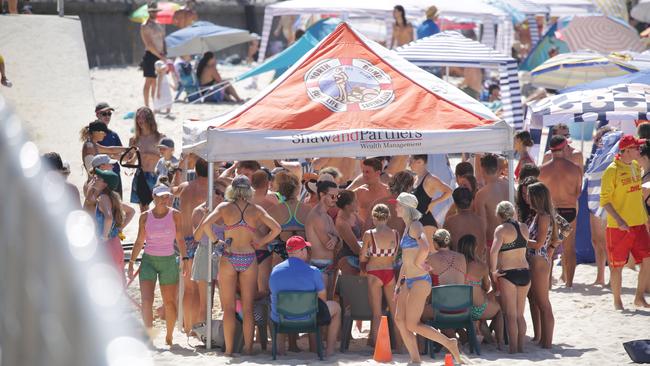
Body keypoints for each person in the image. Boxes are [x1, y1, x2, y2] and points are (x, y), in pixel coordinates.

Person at [193, 175, 281, 355]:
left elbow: (206, 225)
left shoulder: (225, 207)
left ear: (232, 189)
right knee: (248, 308)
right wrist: (261, 241)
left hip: (229, 256)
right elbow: (277, 228)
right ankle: (248, 349)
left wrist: (217, 241)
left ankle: (229, 351)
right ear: (249, 190)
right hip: (249, 256)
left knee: (229, 309)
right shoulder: (256, 209)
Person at [392, 193, 461, 364]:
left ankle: (449, 343)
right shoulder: (408, 227)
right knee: (399, 320)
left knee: (412, 324)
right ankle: (415, 360)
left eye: (398, 205)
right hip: (409, 280)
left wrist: (418, 262)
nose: (395, 207)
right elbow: (405, 261)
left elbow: (425, 247)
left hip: (420, 281)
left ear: (407, 207)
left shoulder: (415, 225)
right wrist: (399, 284)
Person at [128, 185, 189, 346]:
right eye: (161, 196)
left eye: (167, 196)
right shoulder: (145, 216)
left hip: (168, 260)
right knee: (147, 300)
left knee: (169, 302)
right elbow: (140, 241)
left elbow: (180, 239)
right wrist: (132, 262)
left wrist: (185, 258)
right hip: (148, 260)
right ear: (153, 197)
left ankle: (169, 336)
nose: (164, 200)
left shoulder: (175, 215)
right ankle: (149, 336)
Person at [599, 135, 650, 310]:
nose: (639, 150)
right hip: (618, 226)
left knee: (647, 260)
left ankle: (638, 297)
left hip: (638, 223)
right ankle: (617, 301)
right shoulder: (611, 171)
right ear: (626, 150)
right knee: (616, 266)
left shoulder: (636, 166)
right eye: (636, 147)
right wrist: (620, 220)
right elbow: (605, 201)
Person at [269, 236, 341, 357]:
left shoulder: (275, 271)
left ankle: (280, 351)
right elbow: (322, 299)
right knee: (336, 308)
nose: (307, 252)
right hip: (308, 317)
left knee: (276, 308)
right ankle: (329, 351)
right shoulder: (313, 271)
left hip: (282, 318)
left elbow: (273, 294)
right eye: (306, 248)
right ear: (302, 251)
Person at [539, 135, 582, 287]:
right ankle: (569, 283)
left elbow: (540, 194)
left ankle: (548, 283)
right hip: (569, 209)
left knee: (549, 247)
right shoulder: (575, 169)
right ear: (564, 148)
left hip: (551, 210)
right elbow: (578, 192)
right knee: (569, 248)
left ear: (550, 150)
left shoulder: (542, 170)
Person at [490, 201, 530, 354]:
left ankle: (513, 349)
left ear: (499, 215)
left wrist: (493, 271)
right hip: (525, 272)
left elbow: (493, 252)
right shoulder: (524, 227)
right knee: (520, 314)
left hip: (509, 273)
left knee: (511, 315)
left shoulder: (501, 229)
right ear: (513, 212)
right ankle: (521, 347)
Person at [176, 157, 208, 334]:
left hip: (183, 240)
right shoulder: (209, 189)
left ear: (196, 171)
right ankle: (196, 329)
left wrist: (179, 170)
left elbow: (172, 189)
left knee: (189, 289)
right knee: (198, 289)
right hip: (198, 240)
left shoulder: (186, 186)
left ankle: (188, 327)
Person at [359, 204, 400, 346]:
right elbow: (394, 257)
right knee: (396, 314)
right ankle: (400, 347)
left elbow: (362, 257)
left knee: (377, 314)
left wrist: (368, 259)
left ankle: (378, 348)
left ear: (373, 217)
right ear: (388, 217)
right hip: (389, 272)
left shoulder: (369, 234)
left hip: (374, 273)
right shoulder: (395, 233)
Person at [190, 180, 227, 328]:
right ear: (210, 192)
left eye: (224, 194)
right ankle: (204, 334)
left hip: (223, 254)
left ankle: (223, 335)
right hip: (205, 252)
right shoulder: (199, 211)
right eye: (217, 192)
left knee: (226, 300)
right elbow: (197, 237)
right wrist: (206, 217)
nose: (220, 196)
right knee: (206, 302)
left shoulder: (226, 210)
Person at [526, 183, 557, 349]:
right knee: (539, 302)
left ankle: (548, 342)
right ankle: (545, 341)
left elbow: (538, 244)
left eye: (529, 195)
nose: (527, 198)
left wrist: (519, 239)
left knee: (543, 303)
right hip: (537, 259)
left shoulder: (544, 216)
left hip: (538, 260)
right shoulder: (539, 215)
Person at [89, 169, 135, 281]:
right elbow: (131, 211)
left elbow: (108, 218)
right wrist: (119, 228)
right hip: (115, 244)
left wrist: (103, 237)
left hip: (107, 246)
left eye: (98, 178)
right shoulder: (112, 197)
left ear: (105, 184)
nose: (95, 178)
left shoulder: (103, 198)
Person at [458, 234, 503, 347]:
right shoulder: (481, 266)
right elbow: (487, 287)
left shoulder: (456, 264)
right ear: (474, 247)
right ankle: (499, 342)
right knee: (500, 309)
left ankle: (478, 329)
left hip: (460, 310)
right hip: (479, 309)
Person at [305, 180, 341, 299]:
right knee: (323, 307)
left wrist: (335, 239)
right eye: (332, 196)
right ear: (322, 195)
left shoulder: (327, 216)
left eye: (337, 196)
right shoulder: (317, 216)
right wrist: (335, 239)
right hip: (320, 265)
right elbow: (328, 244)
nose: (336, 199)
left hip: (329, 265)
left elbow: (339, 241)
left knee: (328, 304)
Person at [409, 154, 453, 248]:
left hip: (426, 223)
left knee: (432, 255)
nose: (409, 165)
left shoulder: (430, 179)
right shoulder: (415, 178)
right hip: (416, 222)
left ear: (420, 162)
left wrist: (434, 203)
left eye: (411, 161)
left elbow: (449, 191)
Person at [474, 153, 510, 263]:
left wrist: (481, 248)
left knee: (495, 276)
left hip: (493, 240)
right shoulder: (509, 185)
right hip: (512, 236)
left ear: (482, 170)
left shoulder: (482, 194)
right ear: (497, 168)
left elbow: (482, 224)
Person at [128, 107, 164, 211]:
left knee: (160, 208)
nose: (140, 120)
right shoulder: (134, 140)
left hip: (157, 176)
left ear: (149, 118)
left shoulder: (160, 137)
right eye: (138, 117)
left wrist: (149, 155)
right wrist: (128, 160)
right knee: (144, 210)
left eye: (143, 117)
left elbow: (167, 159)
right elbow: (131, 161)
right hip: (141, 175)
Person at [365, 170, 414, 235]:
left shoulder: (377, 203)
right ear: (409, 187)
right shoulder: (409, 207)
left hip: (376, 242)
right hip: (395, 243)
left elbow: (366, 229)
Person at [444, 187, 486, 256]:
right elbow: (483, 248)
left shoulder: (450, 222)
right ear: (472, 201)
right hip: (476, 263)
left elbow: (444, 246)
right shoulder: (480, 221)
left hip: (458, 263)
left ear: (454, 203)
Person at [140, 2, 167, 108]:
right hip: (151, 55)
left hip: (160, 55)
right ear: (149, 12)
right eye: (152, 11)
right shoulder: (145, 25)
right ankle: (147, 105)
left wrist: (164, 53)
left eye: (155, 11)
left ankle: (155, 103)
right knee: (149, 81)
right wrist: (161, 55)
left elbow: (163, 40)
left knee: (155, 81)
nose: (154, 13)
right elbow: (149, 44)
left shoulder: (159, 24)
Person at [95, 102, 124, 197]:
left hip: (115, 174)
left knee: (118, 206)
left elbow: (123, 156)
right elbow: (97, 152)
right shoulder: (93, 134)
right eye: (104, 114)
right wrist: (113, 155)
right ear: (97, 115)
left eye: (109, 114)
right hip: (100, 177)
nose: (107, 116)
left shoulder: (113, 135)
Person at [335, 190, 363, 275]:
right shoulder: (341, 223)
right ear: (347, 206)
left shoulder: (353, 214)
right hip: (348, 261)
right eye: (355, 201)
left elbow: (366, 229)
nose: (357, 202)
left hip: (359, 254)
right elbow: (355, 249)